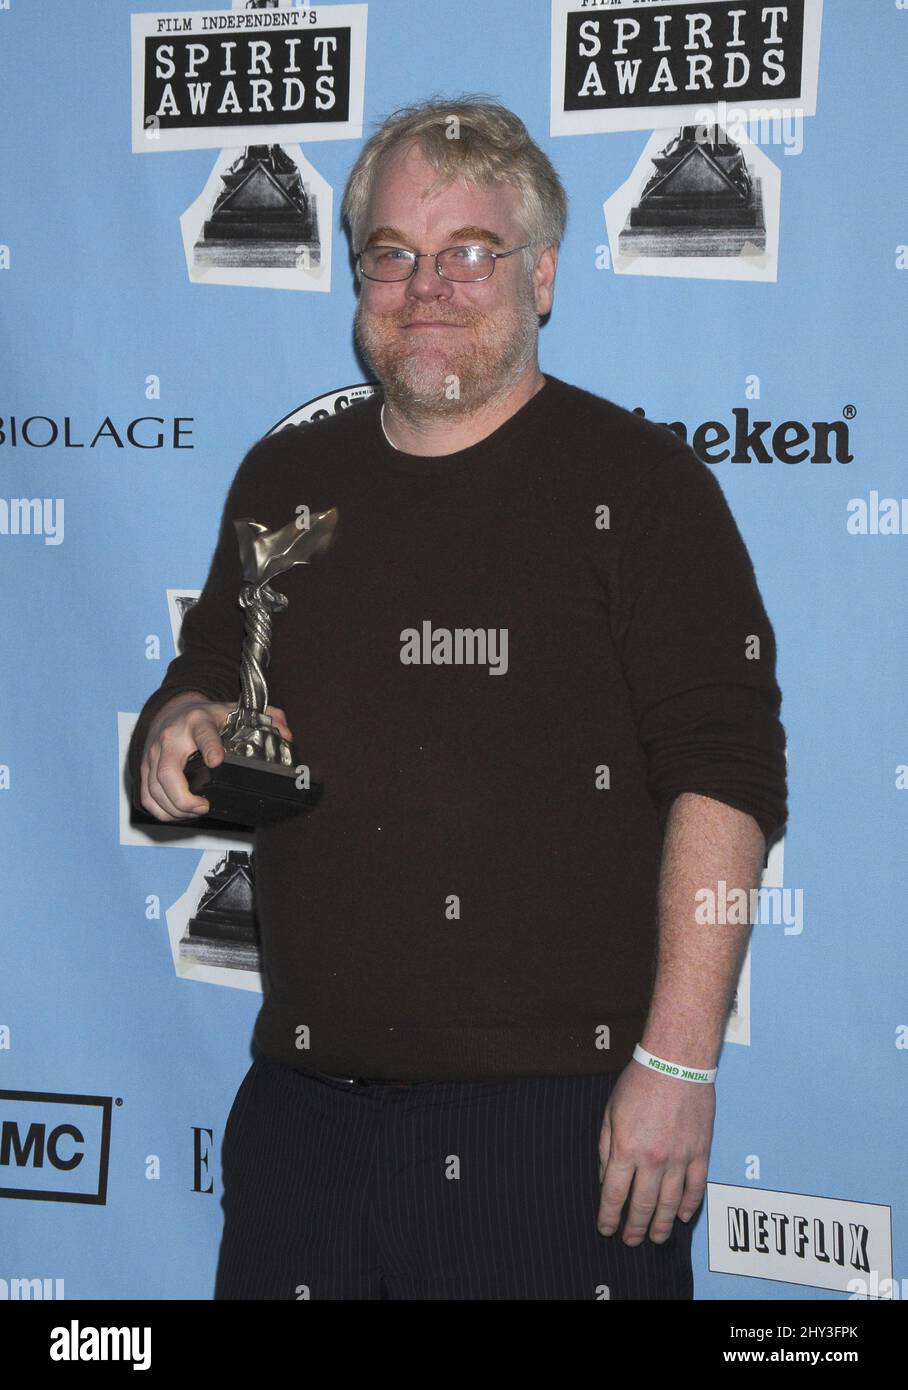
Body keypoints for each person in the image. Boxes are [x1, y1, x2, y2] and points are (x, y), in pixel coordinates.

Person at [127, 97, 787, 1300]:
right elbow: (208, 674)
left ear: (538, 275)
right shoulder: (286, 475)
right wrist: (178, 731)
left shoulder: (640, 488)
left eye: (468, 252)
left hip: (562, 1127)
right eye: (391, 253)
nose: (426, 284)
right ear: (356, 275)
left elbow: (725, 774)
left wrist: (679, 1064)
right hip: (303, 1117)